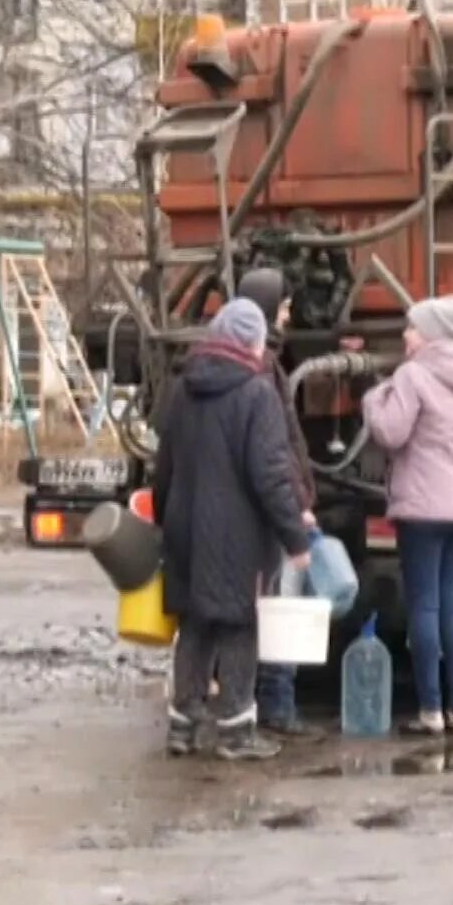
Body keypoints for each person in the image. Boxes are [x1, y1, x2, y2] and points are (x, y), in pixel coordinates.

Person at [153, 298, 314, 760]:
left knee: (195, 624)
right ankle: (236, 731)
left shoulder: (182, 387)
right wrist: (294, 537)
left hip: (185, 528)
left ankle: (182, 726)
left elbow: (164, 465)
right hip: (238, 533)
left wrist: (165, 519)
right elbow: (269, 473)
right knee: (240, 625)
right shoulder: (257, 392)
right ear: (253, 341)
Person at [362, 295, 453, 736]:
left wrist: (375, 398)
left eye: (411, 328)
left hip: (424, 510)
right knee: (451, 606)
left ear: (430, 334)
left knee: (425, 606)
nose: (405, 335)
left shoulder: (412, 376)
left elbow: (391, 433)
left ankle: (431, 711)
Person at [238, 267, 322, 739]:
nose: (289, 316)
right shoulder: (264, 369)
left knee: (267, 604)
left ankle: (255, 699)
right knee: (282, 605)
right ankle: (277, 703)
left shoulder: (265, 363)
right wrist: (296, 506)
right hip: (277, 509)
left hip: (270, 506)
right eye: (284, 308)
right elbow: (276, 449)